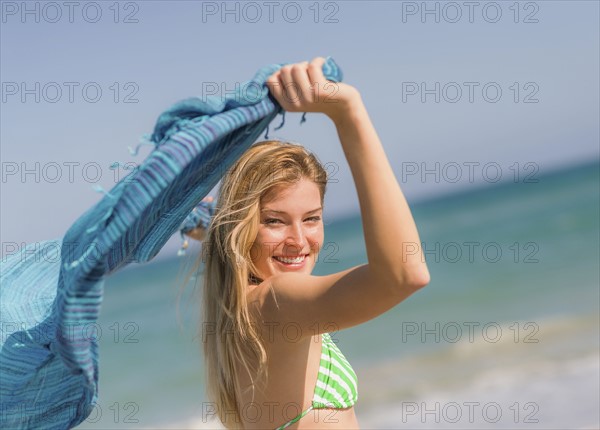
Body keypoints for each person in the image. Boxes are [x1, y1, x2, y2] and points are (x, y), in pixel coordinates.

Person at [184, 57, 430, 429]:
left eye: (311, 218)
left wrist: (201, 221)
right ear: (241, 226)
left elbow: (219, 234)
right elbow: (404, 274)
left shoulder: (240, 304)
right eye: (274, 221)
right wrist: (348, 112)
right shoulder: (276, 302)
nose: (299, 241)